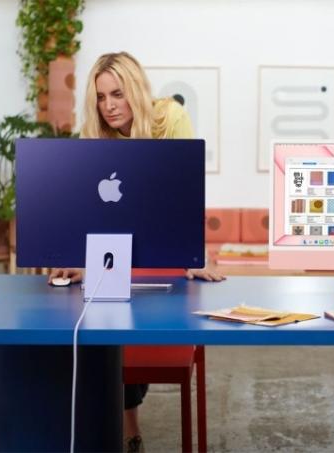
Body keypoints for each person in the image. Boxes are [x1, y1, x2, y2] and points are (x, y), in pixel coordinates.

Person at [48, 51, 224, 453]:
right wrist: (81, 260)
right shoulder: (94, 135)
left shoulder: (169, 118)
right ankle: (128, 430)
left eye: (117, 94)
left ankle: (124, 427)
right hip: (116, 249)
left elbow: (185, 192)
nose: (108, 106)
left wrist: (194, 256)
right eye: (100, 97)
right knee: (104, 320)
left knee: (142, 318)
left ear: (136, 90)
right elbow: (87, 210)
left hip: (162, 246)